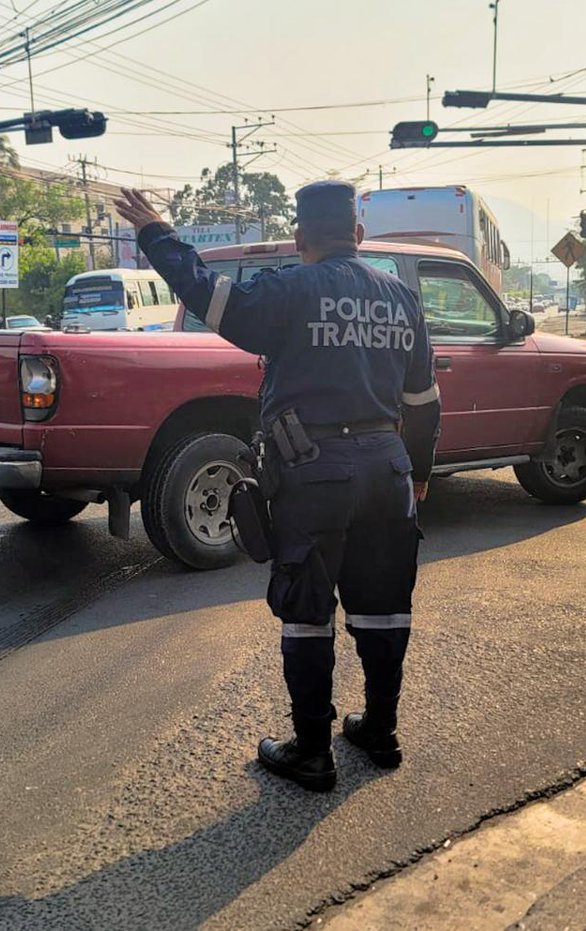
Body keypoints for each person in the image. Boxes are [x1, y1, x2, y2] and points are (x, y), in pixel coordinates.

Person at [114, 182, 441, 792]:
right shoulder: (402, 299)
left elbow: (208, 297)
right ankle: (380, 730)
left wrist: (156, 233)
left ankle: (312, 752)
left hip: (313, 469)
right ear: (359, 237)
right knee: (383, 606)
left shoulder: (290, 291)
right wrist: (418, 472)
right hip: (387, 469)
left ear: (300, 241)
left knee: (307, 612)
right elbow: (423, 400)